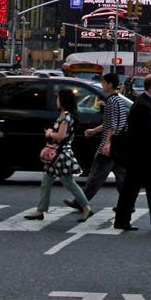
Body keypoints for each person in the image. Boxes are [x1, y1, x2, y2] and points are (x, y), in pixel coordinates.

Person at [113, 73, 151, 231]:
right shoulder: (143, 105)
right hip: (140, 157)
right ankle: (122, 220)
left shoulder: (149, 102)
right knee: (131, 189)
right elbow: (150, 133)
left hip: (147, 156)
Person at [28, 87, 94, 222]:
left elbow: (61, 136)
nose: (56, 100)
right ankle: (40, 210)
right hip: (56, 155)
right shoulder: (66, 115)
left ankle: (86, 208)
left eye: (58, 98)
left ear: (63, 100)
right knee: (46, 182)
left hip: (60, 155)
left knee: (68, 183)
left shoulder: (65, 116)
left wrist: (49, 133)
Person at [70, 72, 130, 208]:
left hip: (109, 145)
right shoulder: (119, 100)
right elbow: (111, 123)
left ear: (109, 84)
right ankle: (127, 204)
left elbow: (112, 125)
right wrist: (94, 131)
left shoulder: (111, 101)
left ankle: (81, 202)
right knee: (122, 178)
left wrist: (108, 143)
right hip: (118, 145)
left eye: (104, 83)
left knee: (95, 176)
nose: (102, 85)